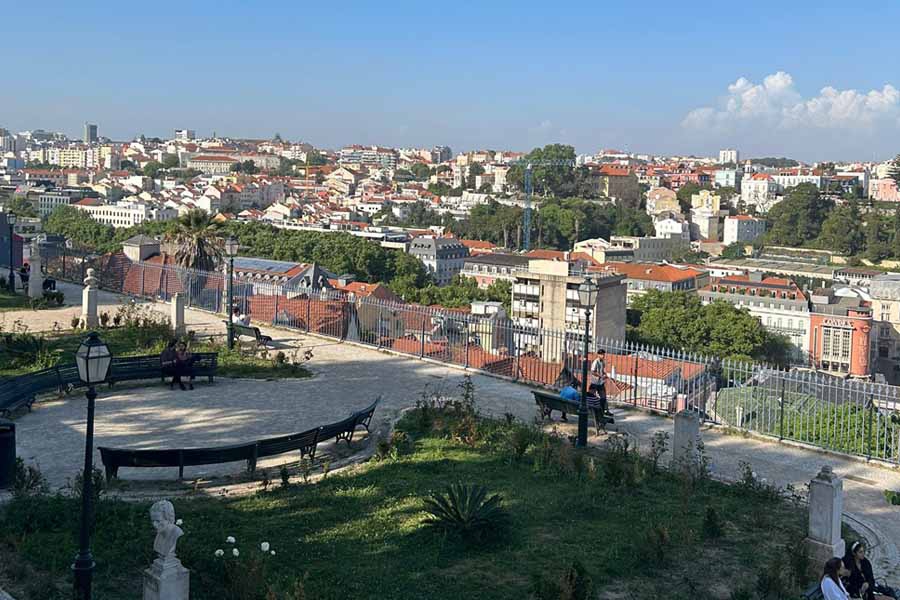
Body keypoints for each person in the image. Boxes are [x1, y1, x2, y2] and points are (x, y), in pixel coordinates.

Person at [590, 349, 609, 414]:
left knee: (603, 397)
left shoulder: (602, 362)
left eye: (604, 354)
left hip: (600, 382)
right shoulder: (595, 362)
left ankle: (603, 411)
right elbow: (592, 371)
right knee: (591, 396)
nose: (603, 356)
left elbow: (602, 371)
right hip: (595, 382)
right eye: (601, 354)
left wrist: (605, 374)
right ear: (598, 355)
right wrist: (601, 376)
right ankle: (591, 410)